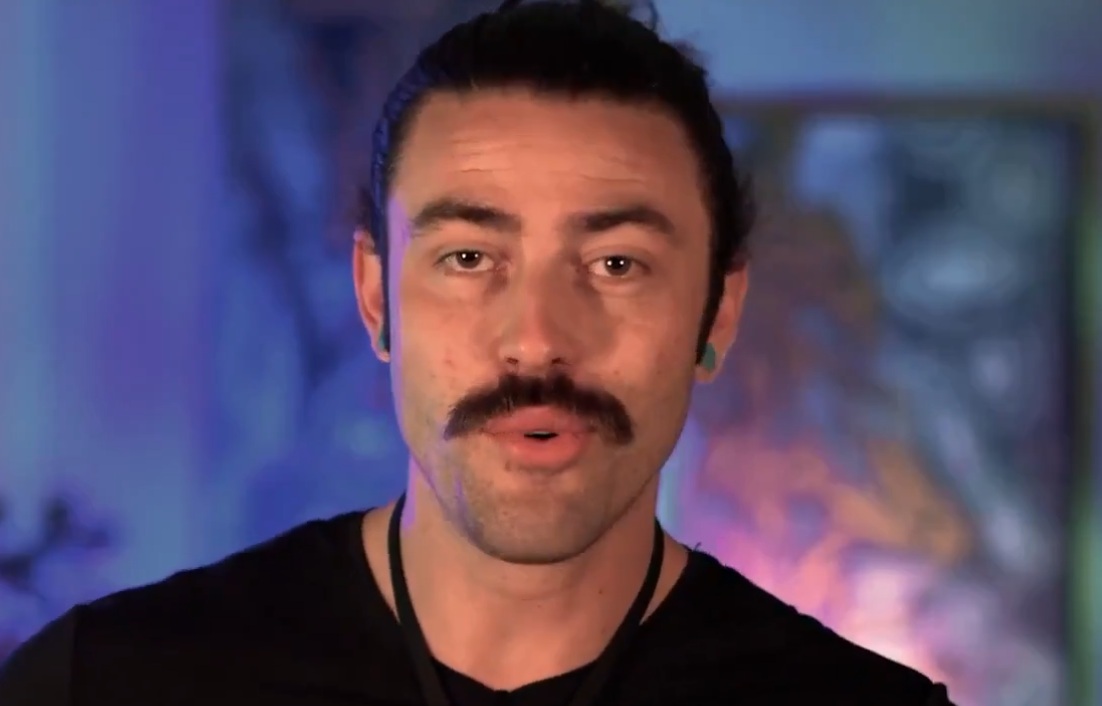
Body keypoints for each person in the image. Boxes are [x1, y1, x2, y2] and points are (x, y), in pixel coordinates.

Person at [0, 1, 957, 704]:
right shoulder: (109, 683)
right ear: (376, 296)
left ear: (718, 312)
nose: (537, 339)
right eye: (468, 258)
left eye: (617, 264)